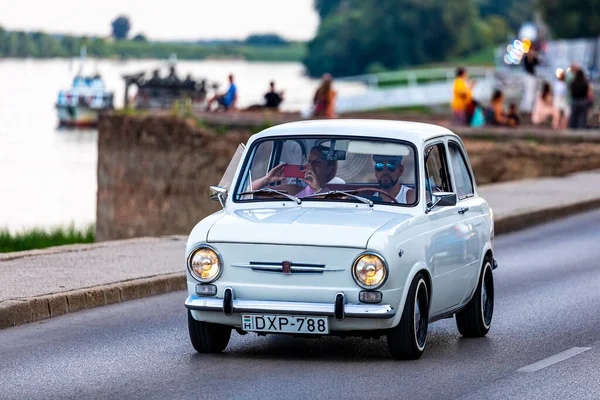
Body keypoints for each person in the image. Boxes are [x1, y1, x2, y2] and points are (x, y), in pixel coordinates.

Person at [251, 146, 338, 198]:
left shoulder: (336, 196)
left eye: (318, 162)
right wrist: (267, 179)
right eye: (309, 161)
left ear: (328, 170)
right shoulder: (293, 189)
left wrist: (317, 189)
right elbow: (249, 193)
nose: (311, 165)